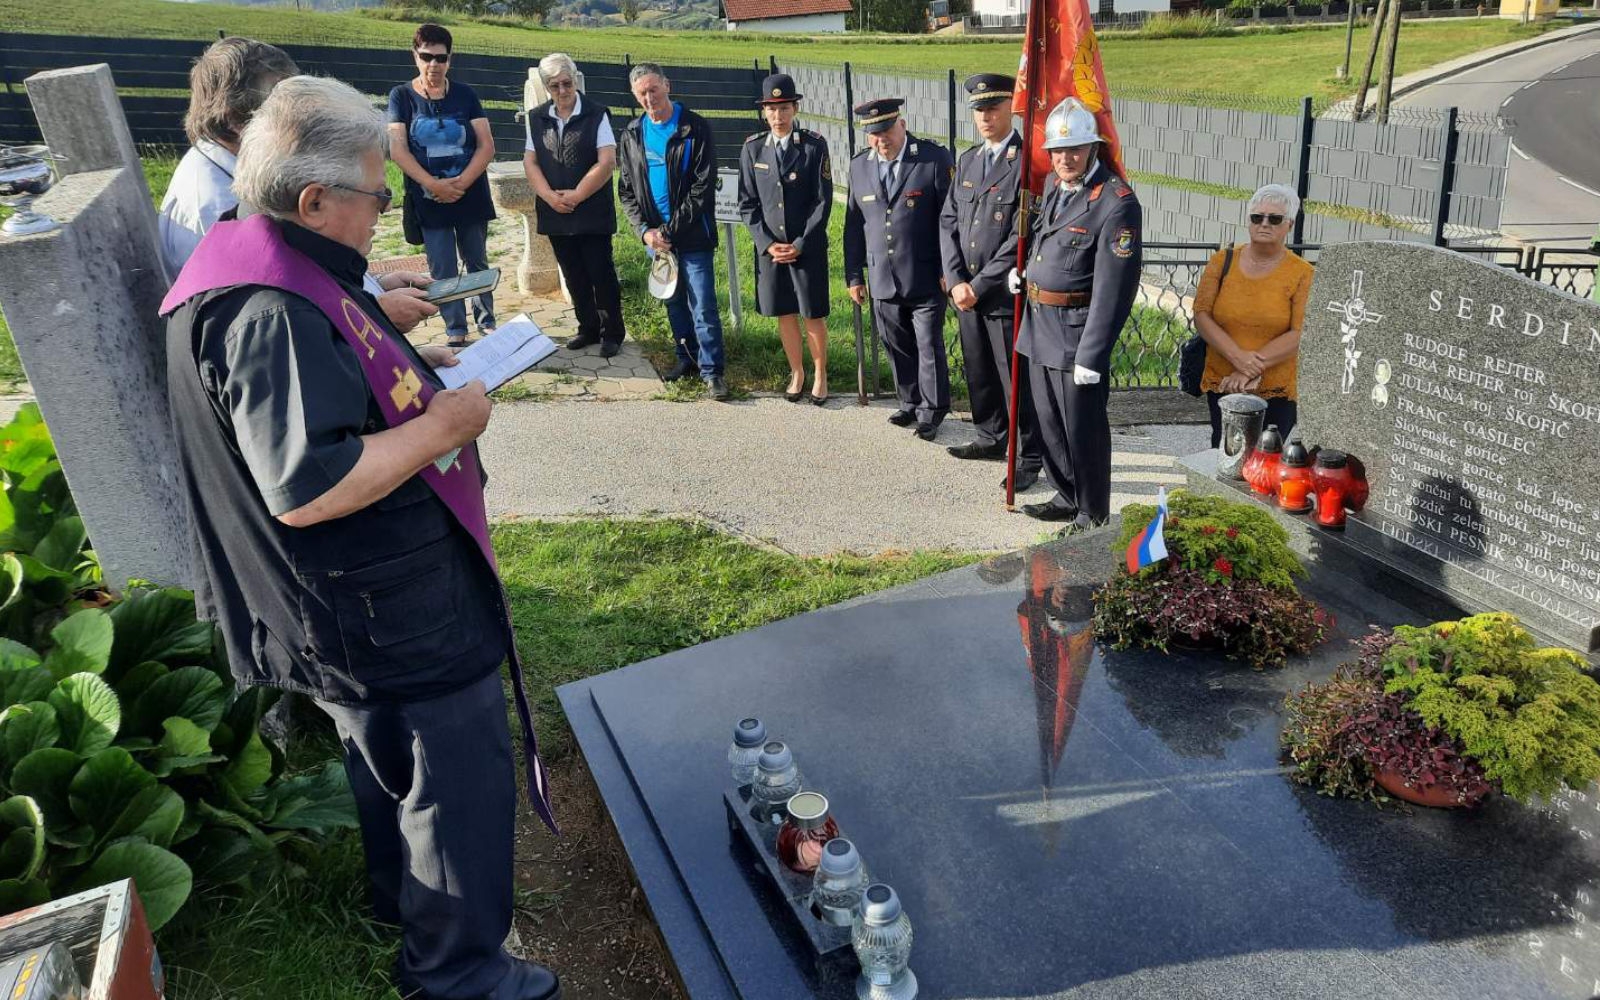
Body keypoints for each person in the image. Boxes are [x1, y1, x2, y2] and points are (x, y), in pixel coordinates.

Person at [158, 76, 560, 1000]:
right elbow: (309, 484)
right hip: (382, 602)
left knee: (387, 760)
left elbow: (326, 371)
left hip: (344, 603)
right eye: (378, 196)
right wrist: (446, 426)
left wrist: (384, 326)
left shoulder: (254, 254)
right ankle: (459, 972)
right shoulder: (273, 314)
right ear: (313, 200)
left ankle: (401, 900)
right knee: (450, 775)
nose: (385, 212)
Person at [157, 36, 438, 333]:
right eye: (280, 110)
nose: (304, 119)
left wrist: (372, 288)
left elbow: (299, 279)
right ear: (237, 121)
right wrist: (374, 316)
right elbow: (272, 326)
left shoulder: (229, 173)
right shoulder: (217, 207)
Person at [1011, 96, 1141, 534]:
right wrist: (1026, 274)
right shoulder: (1053, 185)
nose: (1065, 159)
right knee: (1048, 422)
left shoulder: (1116, 203)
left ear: (1093, 149)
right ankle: (1066, 495)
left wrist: (1093, 353)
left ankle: (1092, 512)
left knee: (1082, 430)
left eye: (1074, 149)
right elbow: (1049, 240)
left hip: (1076, 334)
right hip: (1039, 325)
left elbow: (1114, 289)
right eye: (1058, 151)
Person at [939, 73, 1043, 489]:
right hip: (966, 294)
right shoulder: (968, 160)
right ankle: (989, 436)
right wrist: (955, 278)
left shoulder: (1026, 163)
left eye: (993, 108)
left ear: (1009, 109)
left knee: (1013, 380)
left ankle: (1027, 457)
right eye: (979, 110)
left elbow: (1024, 235)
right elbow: (948, 220)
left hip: (1001, 295)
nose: (985, 116)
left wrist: (978, 285)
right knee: (979, 372)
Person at [844, 98, 954, 441]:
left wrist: (948, 268)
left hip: (926, 273)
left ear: (901, 124)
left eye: (887, 130)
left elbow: (949, 220)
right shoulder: (859, 167)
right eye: (874, 134)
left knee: (927, 344)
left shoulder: (932, 159)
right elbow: (853, 225)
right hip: (881, 275)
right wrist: (854, 274)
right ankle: (908, 402)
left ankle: (932, 411)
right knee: (896, 342)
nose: (882, 140)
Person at [616, 62, 728, 400]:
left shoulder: (695, 127)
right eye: (642, 93)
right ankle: (686, 359)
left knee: (703, 305)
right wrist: (644, 232)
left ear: (667, 85)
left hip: (693, 236)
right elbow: (626, 190)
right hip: (657, 241)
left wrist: (669, 230)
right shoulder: (632, 134)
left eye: (653, 89)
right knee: (674, 303)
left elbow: (702, 187)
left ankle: (713, 371)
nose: (649, 98)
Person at [388, 23, 497, 348]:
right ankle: (455, 329)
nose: (433, 64)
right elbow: (397, 148)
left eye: (441, 58)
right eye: (426, 57)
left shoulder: (465, 94)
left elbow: (486, 145)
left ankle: (487, 323)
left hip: (469, 193)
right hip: (428, 197)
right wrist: (433, 184)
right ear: (415, 56)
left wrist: (461, 182)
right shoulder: (402, 97)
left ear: (450, 59)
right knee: (442, 267)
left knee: (476, 261)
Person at [1193, 183, 1314, 447]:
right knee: (1226, 451)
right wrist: (1239, 360)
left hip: (1277, 385)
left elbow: (1300, 332)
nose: (1265, 224)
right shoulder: (1221, 261)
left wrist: (1249, 369)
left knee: (1267, 457)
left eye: (1275, 219)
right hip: (1225, 380)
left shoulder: (1302, 273)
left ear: (1289, 225)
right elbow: (1202, 314)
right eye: (1257, 217)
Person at [523, 53, 627, 358]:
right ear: (546, 87)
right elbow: (530, 161)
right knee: (572, 273)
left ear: (576, 80)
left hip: (591, 209)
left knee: (600, 273)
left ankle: (613, 333)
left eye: (567, 83)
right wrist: (549, 196)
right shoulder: (537, 117)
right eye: (554, 86)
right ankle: (588, 328)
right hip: (555, 210)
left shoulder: (597, 114)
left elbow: (607, 161)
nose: (562, 91)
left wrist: (578, 195)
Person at [738, 73, 833, 405]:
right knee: (784, 313)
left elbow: (822, 201)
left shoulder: (812, 146)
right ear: (764, 111)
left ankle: (820, 374)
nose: (778, 116)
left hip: (805, 247)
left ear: (794, 109)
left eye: (784, 108)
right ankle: (797, 372)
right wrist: (767, 244)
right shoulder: (752, 149)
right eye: (771, 109)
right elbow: (747, 204)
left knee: (811, 312)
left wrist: (801, 243)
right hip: (772, 251)